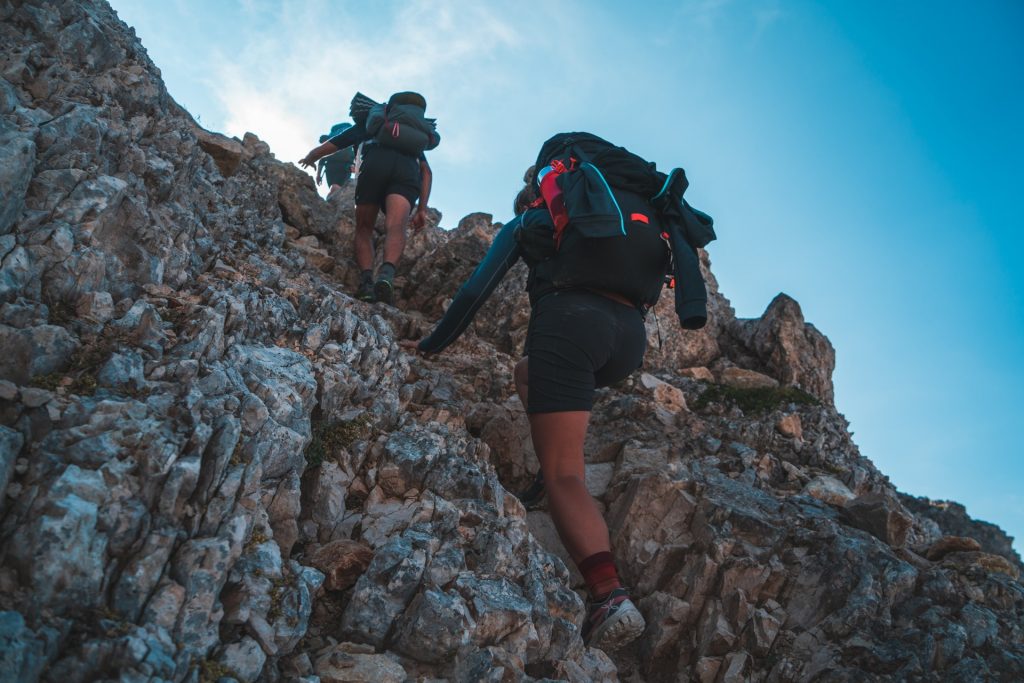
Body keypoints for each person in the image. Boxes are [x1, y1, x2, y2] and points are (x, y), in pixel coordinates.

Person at [401, 160, 677, 651]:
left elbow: (474, 291)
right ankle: (550, 449)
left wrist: (431, 345)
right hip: (628, 341)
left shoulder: (531, 220)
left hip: (572, 325)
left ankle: (608, 595)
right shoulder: (618, 219)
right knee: (527, 373)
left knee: (565, 476)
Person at [300, 92, 435, 304]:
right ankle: (386, 275)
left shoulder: (377, 122)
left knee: (364, 227)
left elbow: (339, 142)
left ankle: (365, 283)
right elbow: (426, 172)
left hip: (375, 164)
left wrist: (312, 156)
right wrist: (422, 210)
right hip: (407, 171)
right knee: (396, 226)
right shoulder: (413, 137)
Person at [316, 122, 356, 200]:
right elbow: (357, 152)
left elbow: (322, 158)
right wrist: (356, 167)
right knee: (336, 188)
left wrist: (318, 175)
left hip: (330, 167)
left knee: (334, 187)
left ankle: (329, 204)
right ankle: (331, 205)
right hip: (345, 166)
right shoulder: (350, 136)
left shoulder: (332, 138)